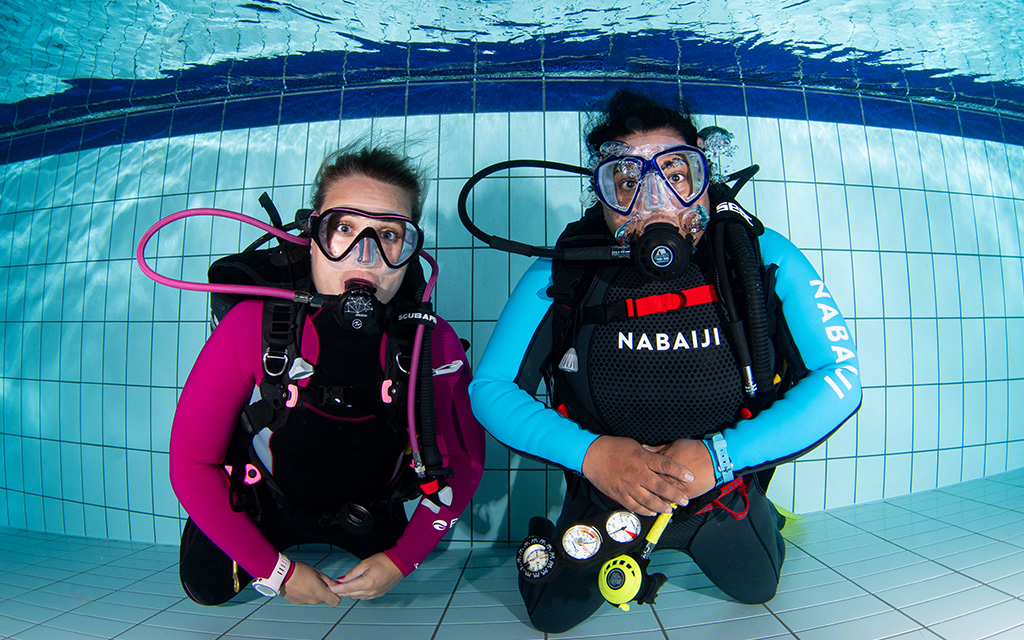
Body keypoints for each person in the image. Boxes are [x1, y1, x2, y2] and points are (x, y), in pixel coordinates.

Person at [468, 89, 861, 632]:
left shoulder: (760, 256)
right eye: (627, 182)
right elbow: (490, 387)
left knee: (757, 587)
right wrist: (594, 456)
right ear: (600, 192)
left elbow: (840, 378)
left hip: (718, 492)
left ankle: (761, 511)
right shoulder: (563, 272)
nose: (655, 203)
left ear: (705, 178)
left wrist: (722, 459)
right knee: (549, 617)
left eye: (677, 174)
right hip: (607, 493)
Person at [169, 145, 485, 606]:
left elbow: (467, 461)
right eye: (344, 228)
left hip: (365, 512)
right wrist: (276, 572)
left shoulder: (430, 342)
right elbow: (192, 465)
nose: (366, 255)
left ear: (410, 249)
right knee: (206, 586)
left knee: (383, 600)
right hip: (266, 503)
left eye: (389, 235)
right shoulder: (251, 328)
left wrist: (402, 560)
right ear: (314, 235)